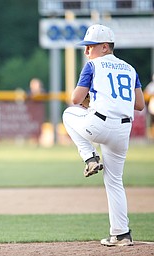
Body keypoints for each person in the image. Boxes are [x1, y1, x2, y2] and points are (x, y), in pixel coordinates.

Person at [62, 24, 145, 246]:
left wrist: (91, 99)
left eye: (90, 46)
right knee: (115, 181)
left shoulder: (93, 65)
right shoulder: (130, 68)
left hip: (98, 125)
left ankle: (89, 157)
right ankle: (121, 234)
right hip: (122, 131)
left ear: (105, 47)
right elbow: (139, 104)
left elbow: (75, 99)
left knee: (69, 114)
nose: (86, 50)